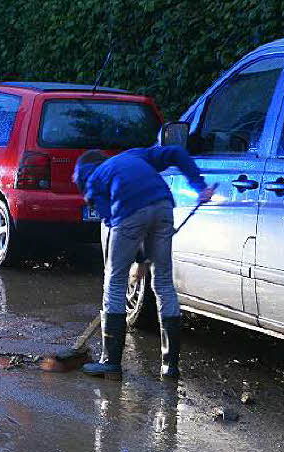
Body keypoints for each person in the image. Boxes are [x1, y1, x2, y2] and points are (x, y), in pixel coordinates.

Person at [73, 146, 214, 381]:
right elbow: (177, 152)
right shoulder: (133, 156)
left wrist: (137, 259)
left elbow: (113, 221)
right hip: (163, 205)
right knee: (164, 284)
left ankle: (110, 364)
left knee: (115, 281)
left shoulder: (94, 181)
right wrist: (200, 186)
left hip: (129, 210)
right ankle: (170, 368)